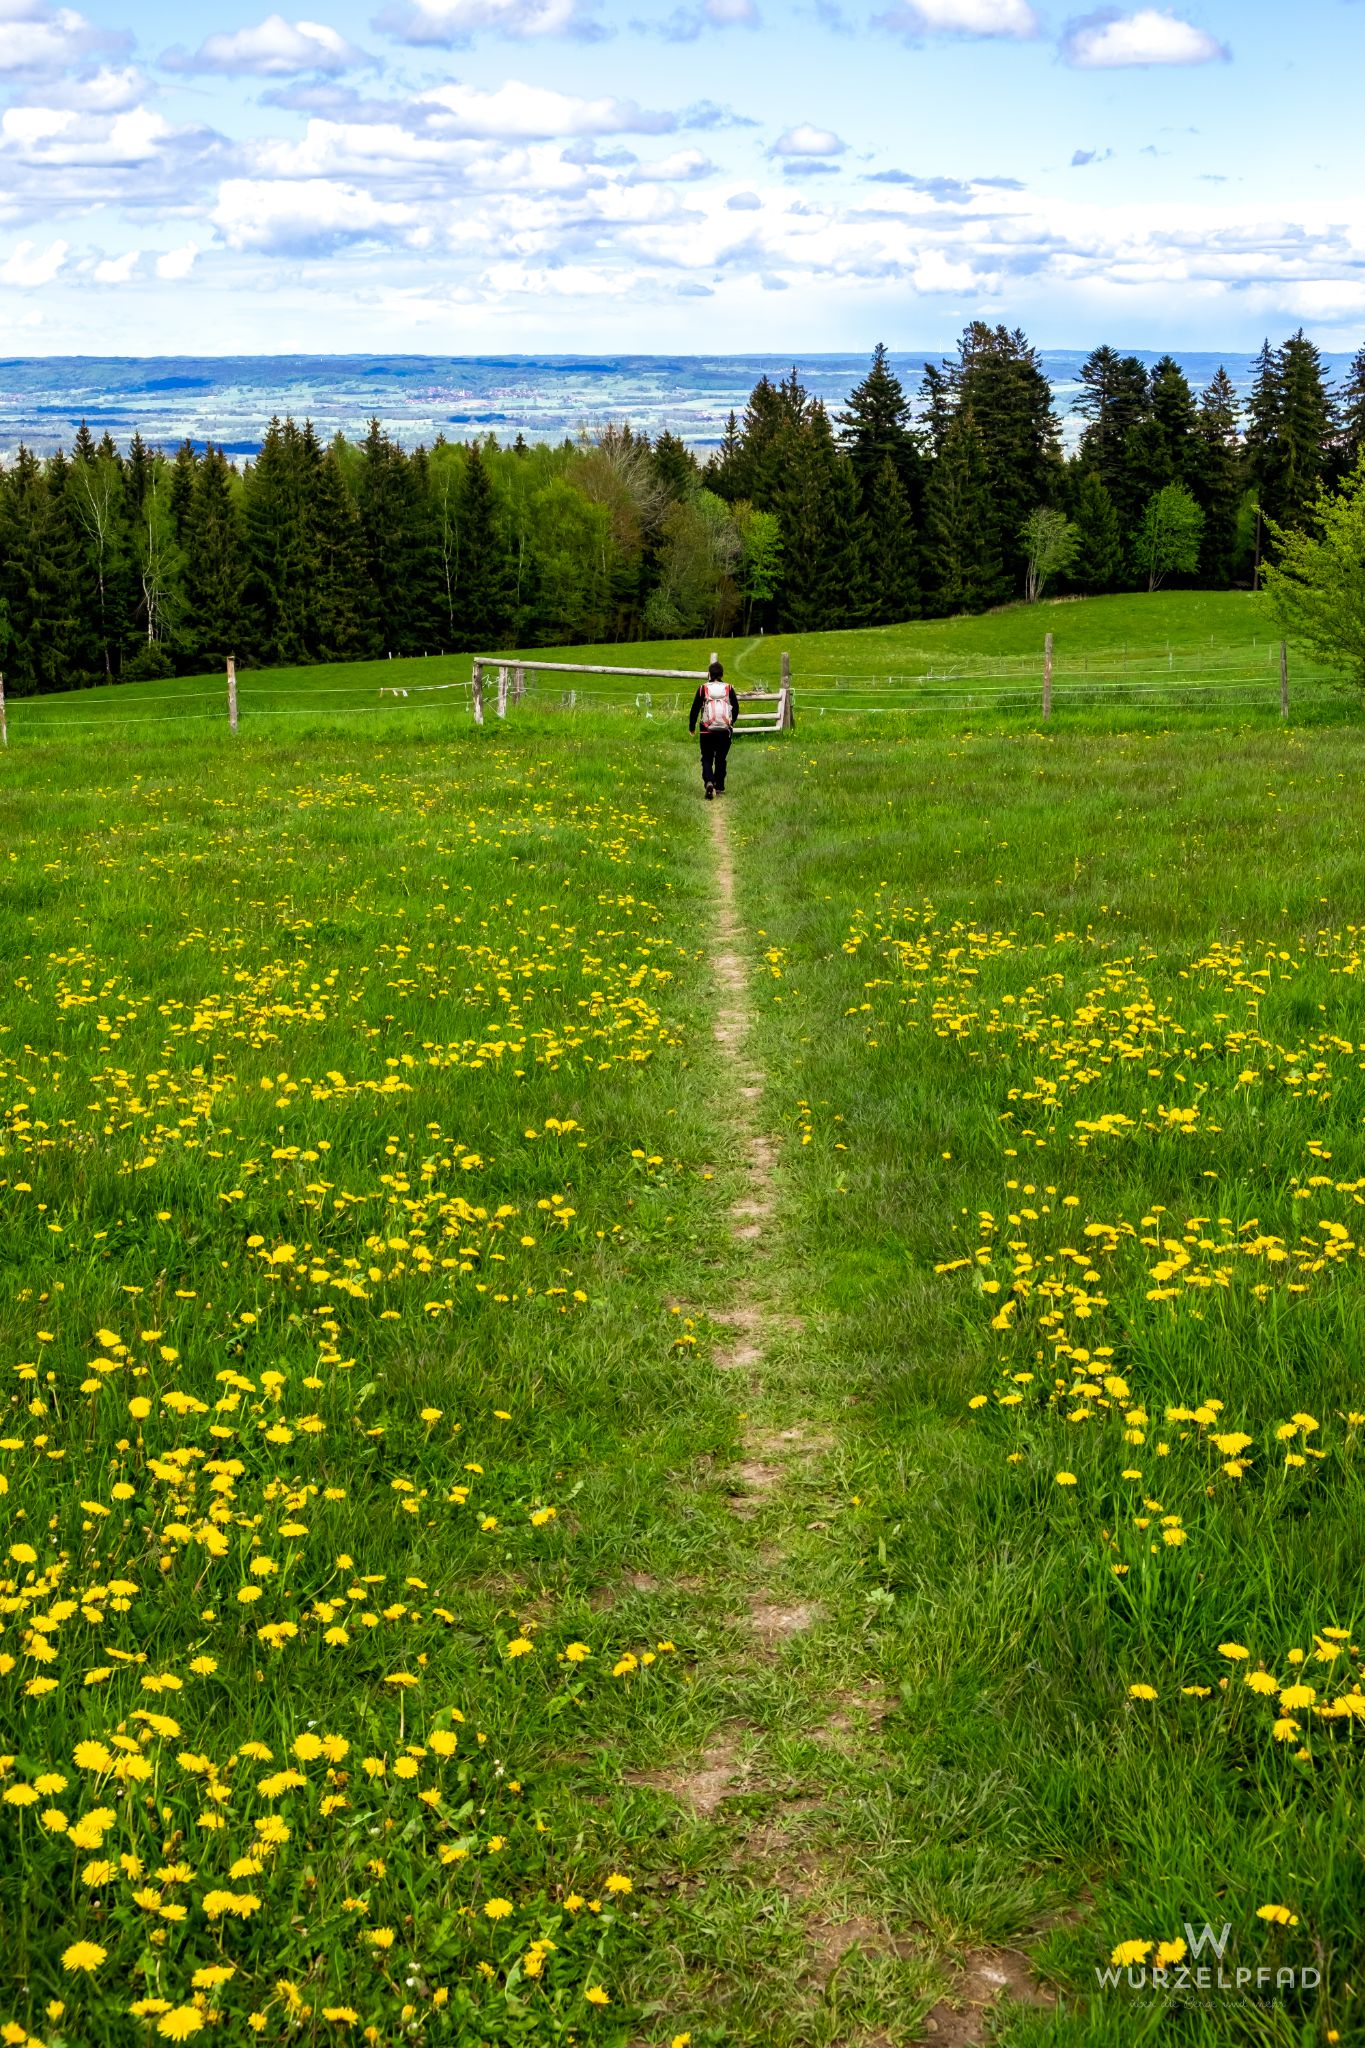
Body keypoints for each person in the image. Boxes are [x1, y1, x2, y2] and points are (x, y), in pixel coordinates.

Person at [688, 656, 739, 799]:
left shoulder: (703, 688)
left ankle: (709, 781)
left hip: (706, 730)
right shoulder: (728, 688)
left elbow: (695, 709)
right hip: (724, 730)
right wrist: (730, 723)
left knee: (707, 758)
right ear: (722, 674)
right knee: (721, 758)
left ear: (709, 674)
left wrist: (692, 727)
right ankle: (720, 788)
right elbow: (736, 709)